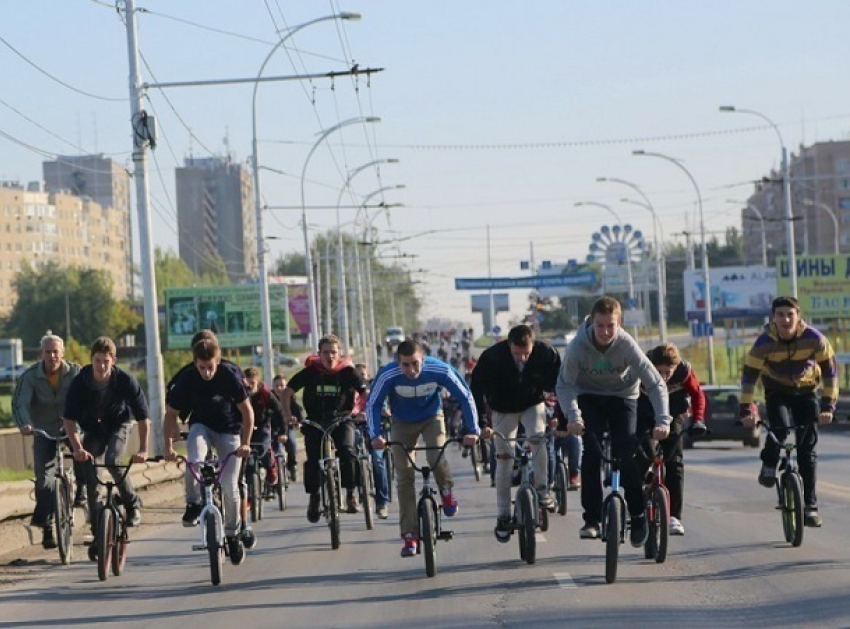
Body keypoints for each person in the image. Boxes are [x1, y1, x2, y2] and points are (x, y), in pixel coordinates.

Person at [556, 296, 670, 547]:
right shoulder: (577, 347)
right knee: (591, 455)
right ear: (591, 323)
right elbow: (565, 386)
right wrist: (573, 417)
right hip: (590, 398)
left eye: (611, 325)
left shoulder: (627, 345)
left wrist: (663, 421)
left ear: (619, 323)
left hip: (623, 397)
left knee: (626, 453)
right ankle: (592, 520)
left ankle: (638, 516)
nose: (606, 332)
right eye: (600, 326)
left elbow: (654, 383)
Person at [368, 339, 479, 558]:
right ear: (397, 362)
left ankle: (446, 491)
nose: (411, 370)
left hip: (432, 417)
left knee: (434, 456)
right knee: (404, 475)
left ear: (423, 359)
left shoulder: (439, 369)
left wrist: (473, 429)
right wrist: (375, 435)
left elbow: (465, 396)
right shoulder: (387, 375)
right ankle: (409, 535)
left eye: (416, 364)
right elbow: (373, 403)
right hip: (401, 422)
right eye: (406, 365)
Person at [740, 296, 838, 528]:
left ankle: (811, 507)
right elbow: (749, 379)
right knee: (780, 431)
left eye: (790, 315)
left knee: (808, 452)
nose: (785, 319)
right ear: (773, 318)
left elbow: (830, 374)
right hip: (777, 392)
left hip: (806, 392)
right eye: (780, 315)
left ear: (798, 316)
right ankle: (769, 463)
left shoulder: (815, 339)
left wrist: (827, 407)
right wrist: (746, 409)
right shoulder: (763, 343)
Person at [164, 336, 254, 566]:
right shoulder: (188, 378)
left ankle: (233, 534)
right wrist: (168, 447)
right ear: (195, 363)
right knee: (194, 460)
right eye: (201, 367)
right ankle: (193, 503)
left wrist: (245, 442)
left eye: (210, 367)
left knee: (229, 485)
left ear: (218, 360)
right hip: (201, 426)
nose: (206, 373)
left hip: (229, 430)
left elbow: (247, 412)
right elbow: (171, 414)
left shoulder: (228, 375)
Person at [471, 324, 561, 543]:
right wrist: (482, 422)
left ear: (533, 346)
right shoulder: (491, 357)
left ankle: (541, 489)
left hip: (532, 403)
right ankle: (503, 515)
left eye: (526, 353)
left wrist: (560, 414)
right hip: (502, 408)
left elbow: (561, 384)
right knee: (503, 458)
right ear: (508, 346)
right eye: (517, 353)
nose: (522, 358)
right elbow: (476, 388)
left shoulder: (547, 354)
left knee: (537, 439)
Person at [62, 336, 150, 556]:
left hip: (119, 424)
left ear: (114, 361)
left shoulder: (125, 380)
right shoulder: (80, 382)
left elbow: (143, 418)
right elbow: (69, 419)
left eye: (106, 362)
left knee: (112, 460)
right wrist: (77, 448)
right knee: (92, 479)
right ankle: (98, 533)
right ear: (91, 360)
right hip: (93, 428)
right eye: (97, 361)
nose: (101, 366)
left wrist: (143, 449)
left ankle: (131, 504)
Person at [280, 335, 366, 522]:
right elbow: (287, 392)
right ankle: (314, 497)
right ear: (319, 354)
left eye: (333, 352)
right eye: (325, 352)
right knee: (313, 460)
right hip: (315, 422)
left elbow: (365, 392)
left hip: (342, 420)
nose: (330, 356)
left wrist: (361, 410)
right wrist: (288, 415)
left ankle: (351, 494)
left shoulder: (348, 372)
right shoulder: (311, 371)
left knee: (348, 452)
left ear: (339, 353)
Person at [12, 333, 82, 549]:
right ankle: (48, 525)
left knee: (85, 458)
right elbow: (20, 402)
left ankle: (83, 494)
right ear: (41, 354)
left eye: (56, 351)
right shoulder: (31, 376)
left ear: (63, 353)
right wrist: (25, 424)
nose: (52, 356)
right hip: (43, 431)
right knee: (44, 479)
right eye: (48, 352)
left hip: (73, 428)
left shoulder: (75, 373)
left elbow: (87, 396)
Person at [637, 343, 706, 536]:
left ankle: (674, 516)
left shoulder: (684, 371)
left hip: (672, 413)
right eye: (659, 372)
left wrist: (698, 420)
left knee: (674, 463)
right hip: (645, 413)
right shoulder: (640, 368)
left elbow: (697, 394)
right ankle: (639, 502)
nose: (664, 377)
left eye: (668, 372)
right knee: (642, 457)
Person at [243, 367, 286, 505]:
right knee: (245, 460)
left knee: (263, 449)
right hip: (245, 428)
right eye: (247, 384)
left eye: (252, 384)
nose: (249, 387)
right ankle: (249, 492)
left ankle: (271, 468)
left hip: (262, 426)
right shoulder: (240, 393)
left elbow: (279, 412)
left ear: (258, 381)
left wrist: (283, 432)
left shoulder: (266, 393)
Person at [354, 362, 390, 520]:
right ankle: (355, 494)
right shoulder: (349, 391)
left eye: (362, 374)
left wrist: (382, 412)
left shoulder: (375, 389)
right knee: (351, 455)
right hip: (355, 428)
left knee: (377, 460)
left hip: (375, 429)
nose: (360, 377)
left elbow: (380, 405)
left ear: (368, 376)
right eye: (356, 374)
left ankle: (382, 502)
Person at [272, 374, 302, 482]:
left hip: (288, 427)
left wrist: (298, 421)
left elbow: (298, 410)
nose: (280, 388)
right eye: (277, 386)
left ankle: (292, 466)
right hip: (272, 428)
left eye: (282, 385)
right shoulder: (269, 397)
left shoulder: (290, 397)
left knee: (292, 443)